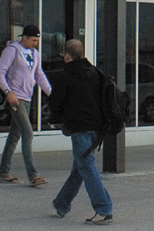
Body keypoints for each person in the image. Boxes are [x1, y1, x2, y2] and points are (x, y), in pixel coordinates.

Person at [49, 38, 114, 224]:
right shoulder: (96, 73)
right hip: (97, 129)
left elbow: (55, 104)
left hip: (79, 129)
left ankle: (104, 209)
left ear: (67, 56)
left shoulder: (65, 76)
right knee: (80, 168)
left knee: (86, 167)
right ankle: (61, 204)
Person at [0, 24, 52, 186]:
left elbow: (39, 74)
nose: (35, 43)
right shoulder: (12, 51)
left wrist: (50, 92)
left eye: (37, 41)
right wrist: (8, 92)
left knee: (14, 135)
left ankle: (4, 172)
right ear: (24, 38)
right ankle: (33, 174)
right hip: (15, 98)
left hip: (27, 98)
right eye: (33, 40)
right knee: (28, 132)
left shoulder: (35, 54)